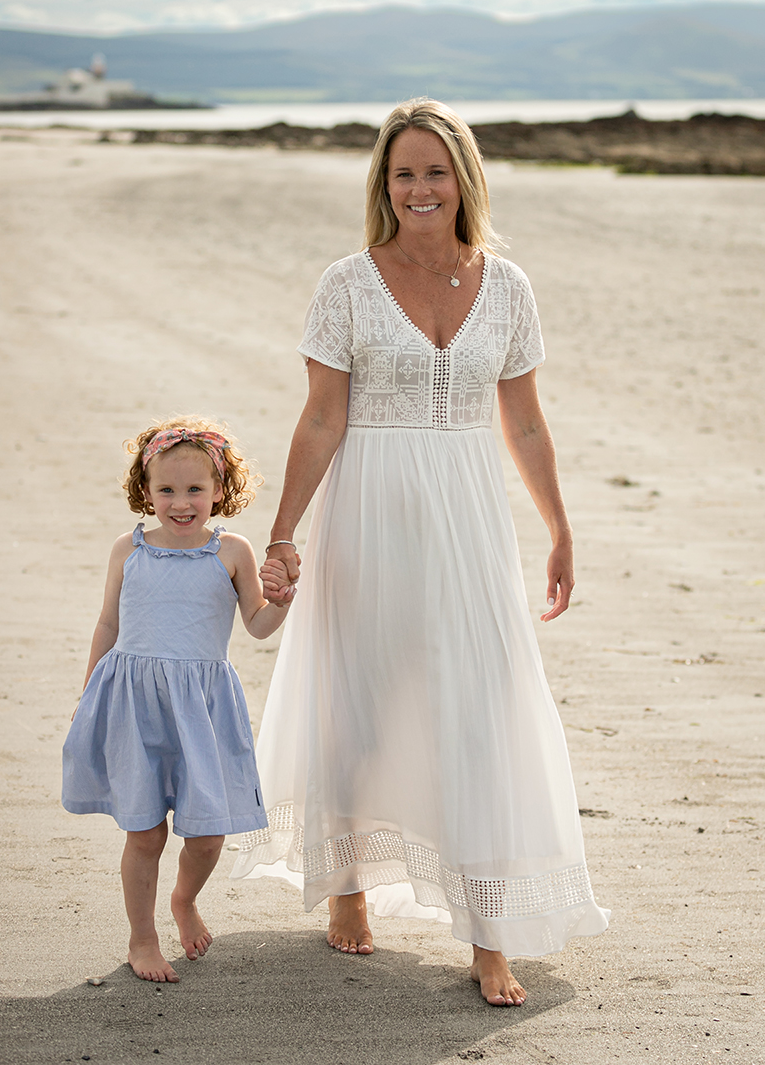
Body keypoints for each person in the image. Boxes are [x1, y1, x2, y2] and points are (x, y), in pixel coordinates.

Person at [233, 100, 609, 1006]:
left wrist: (559, 526)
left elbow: (522, 418)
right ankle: (349, 885)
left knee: (480, 704)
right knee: (361, 695)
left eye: (435, 172)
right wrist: (284, 532)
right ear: (384, 185)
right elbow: (322, 418)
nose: (419, 189)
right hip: (368, 508)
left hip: (470, 518)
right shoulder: (348, 283)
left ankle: (488, 932)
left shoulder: (507, 286)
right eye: (403, 174)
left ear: (463, 180)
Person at [62, 418, 294, 983]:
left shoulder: (231, 551)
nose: (181, 502)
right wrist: (91, 690)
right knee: (144, 831)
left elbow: (259, 625)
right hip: (133, 707)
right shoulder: (130, 548)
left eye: (195, 489)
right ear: (145, 490)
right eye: (165, 489)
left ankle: (184, 899)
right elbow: (108, 622)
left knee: (208, 833)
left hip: (203, 712)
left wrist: (282, 601)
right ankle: (142, 939)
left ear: (221, 491)